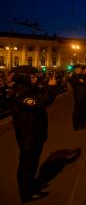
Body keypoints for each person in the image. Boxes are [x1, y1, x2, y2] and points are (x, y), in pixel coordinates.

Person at [8, 66, 56, 202]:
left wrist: (46, 86)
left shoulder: (27, 89)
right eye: (32, 77)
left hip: (33, 132)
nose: (35, 79)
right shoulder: (20, 92)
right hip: (28, 134)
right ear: (24, 77)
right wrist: (51, 88)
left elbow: (42, 96)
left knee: (31, 162)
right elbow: (41, 102)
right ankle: (26, 193)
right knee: (27, 163)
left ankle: (29, 185)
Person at [68, 65, 86, 130]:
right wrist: (82, 81)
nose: (81, 70)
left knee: (80, 110)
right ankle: (76, 125)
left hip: (80, 95)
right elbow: (81, 83)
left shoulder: (76, 75)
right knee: (77, 111)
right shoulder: (73, 76)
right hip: (78, 95)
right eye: (80, 69)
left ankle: (81, 123)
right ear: (76, 69)